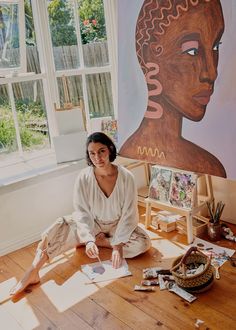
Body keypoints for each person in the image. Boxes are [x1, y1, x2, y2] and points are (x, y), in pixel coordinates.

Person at [10, 132, 151, 296]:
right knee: (59, 227)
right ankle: (33, 271)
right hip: (92, 224)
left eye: (101, 151)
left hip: (118, 225)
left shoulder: (127, 177)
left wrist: (118, 245)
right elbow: (81, 211)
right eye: (92, 153)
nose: (97, 157)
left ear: (110, 150)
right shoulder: (83, 178)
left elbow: (130, 214)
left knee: (143, 243)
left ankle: (103, 242)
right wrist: (89, 238)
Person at [119, 0, 226, 178]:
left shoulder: (127, 150)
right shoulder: (210, 169)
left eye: (215, 47)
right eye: (191, 51)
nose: (211, 73)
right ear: (150, 55)